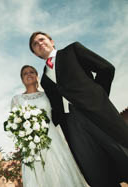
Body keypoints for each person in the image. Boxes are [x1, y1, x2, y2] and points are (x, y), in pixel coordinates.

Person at [29, 31, 128, 187]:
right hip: (72, 124)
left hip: (96, 113)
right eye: (35, 44)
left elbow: (106, 68)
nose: (39, 43)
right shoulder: (44, 80)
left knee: (122, 153)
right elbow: (54, 107)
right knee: (94, 169)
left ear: (51, 41)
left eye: (42, 39)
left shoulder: (72, 51)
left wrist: (97, 96)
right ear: (35, 53)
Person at [10, 65, 88, 187]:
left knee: (59, 167)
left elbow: (59, 112)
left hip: (52, 137)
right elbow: (15, 122)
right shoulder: (17, 99)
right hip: (31, 143)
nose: (29, 74)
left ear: (37, 76)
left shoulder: (48, 95)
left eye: (32, 72)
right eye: (25, 73)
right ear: (22, 79)